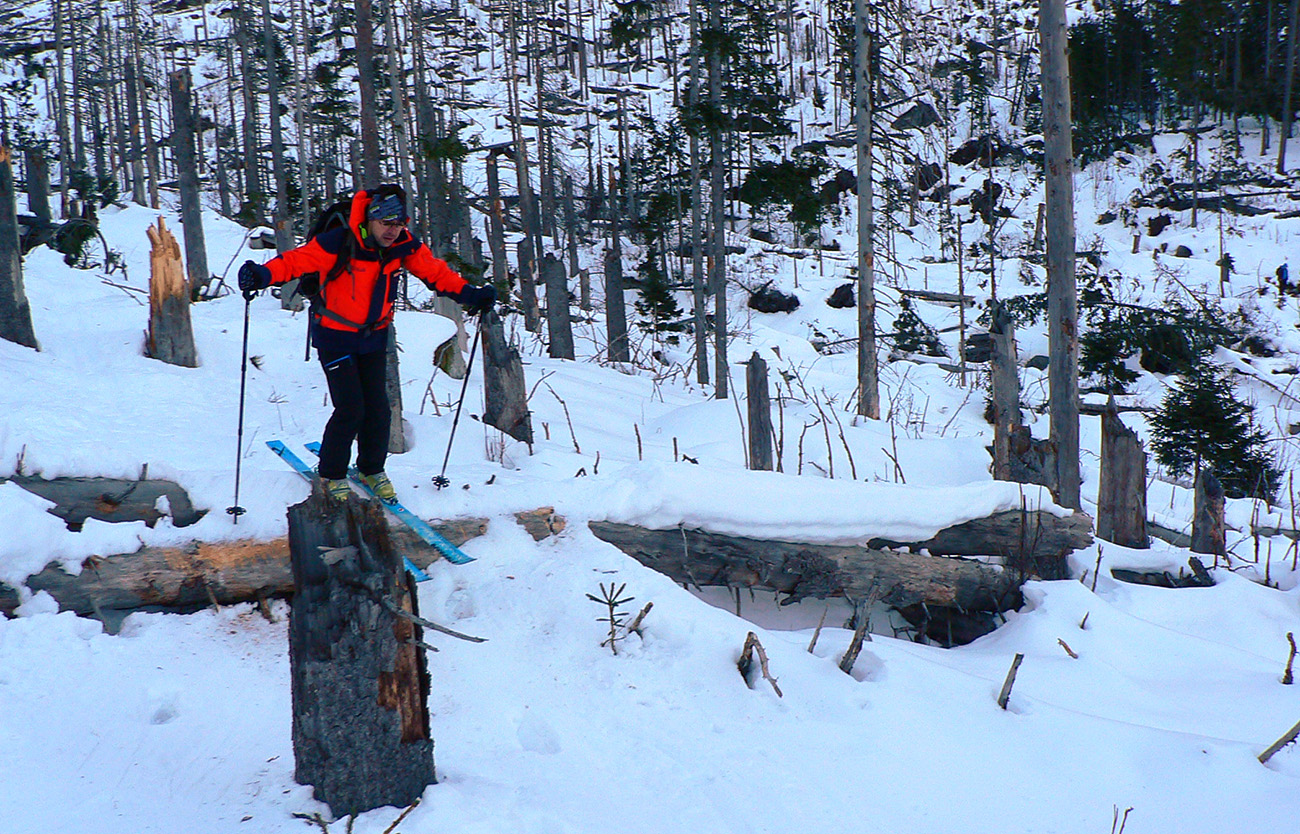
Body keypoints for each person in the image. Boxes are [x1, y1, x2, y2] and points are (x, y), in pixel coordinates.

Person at [238, 184, 496, 503]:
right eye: (386, 223)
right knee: (351, 408)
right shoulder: (339, 241)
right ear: (370, 219)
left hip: (374, 337)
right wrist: (261, 275)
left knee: (378, 409)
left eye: (399, 224)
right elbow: (295, 262)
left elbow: (436, 273)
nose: (393, 231)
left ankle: (371, 469)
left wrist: (471, 295)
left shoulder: (403, 245)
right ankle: (331, 473)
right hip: (335, 336)